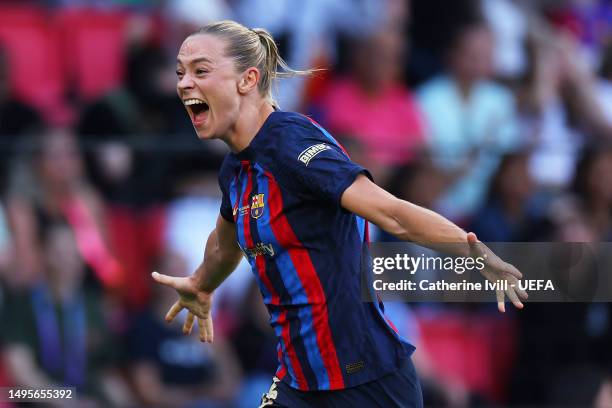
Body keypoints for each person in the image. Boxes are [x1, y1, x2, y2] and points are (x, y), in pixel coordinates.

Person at [151, 20, 527, 407]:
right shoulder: (235, 169)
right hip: (299, 384)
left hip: (365, 383)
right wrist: (201, 284)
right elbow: (225, 245)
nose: (183, 84)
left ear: (247, 79)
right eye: (180, 72)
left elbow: (391, 212)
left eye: (200, 70)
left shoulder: (293, 146)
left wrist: (474, 252)